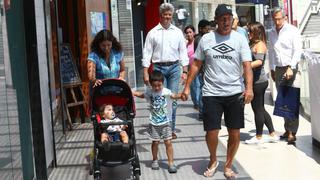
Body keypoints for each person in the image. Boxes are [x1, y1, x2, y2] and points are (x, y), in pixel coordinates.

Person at [181, 4, 253, 179]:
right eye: (223, 17)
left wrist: (249, 88)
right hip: (212, 93)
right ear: (217, 20)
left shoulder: (239, 39)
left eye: (229, 17)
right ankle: (213, 159)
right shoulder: (206, 39)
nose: (226, 20)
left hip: (235, 92)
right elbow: (196, 64)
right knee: (211, 132)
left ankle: (228, 164)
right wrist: (187, 86)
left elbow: (247, 66)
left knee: (234, 132)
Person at [142, 2, 189, 139]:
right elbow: (147, 53)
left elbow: (183, 52)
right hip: (158, 68)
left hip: (174, 68)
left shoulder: (178, 32)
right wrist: (145, 72)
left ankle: (170, 130)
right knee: (159, 99)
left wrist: (185, 71)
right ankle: (158, 126)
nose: (167, 17)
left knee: (172, 100)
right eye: (165, 15)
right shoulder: (153, 33)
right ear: (160, 15)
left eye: (169, 14)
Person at [133, 70, 182, 173]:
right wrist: (133, 93)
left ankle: (171, 163)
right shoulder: (150, 92)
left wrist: (181, 95)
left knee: (168, 142)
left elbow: (174, 96)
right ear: (150, 84)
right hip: (154, 123)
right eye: (154, 86)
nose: (157, 88)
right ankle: (155, 160)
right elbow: (142, 95)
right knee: (155, 142)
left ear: (162, 83)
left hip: (166, 122)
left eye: (159, 85)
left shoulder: (166, 91)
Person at [268, 8, 302, 144]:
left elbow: (297, 50)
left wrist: (291, 67)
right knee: (282, 100)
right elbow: (271, 51)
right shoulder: (271, 32)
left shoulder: (293, 31)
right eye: (275, 19)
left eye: (279, 18)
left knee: (291, 100)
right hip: (278, 68)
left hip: (290, 68)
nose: (277, 21)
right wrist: (271, 68)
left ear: (285, 18)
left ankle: (293, 132)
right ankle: (287, 129)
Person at [244, 22, 279, 144]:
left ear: (257, 32)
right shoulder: (252, 43)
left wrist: (244, 67)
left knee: (257, 109)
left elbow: (259, 61)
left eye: (251, 31)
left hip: (258, 82)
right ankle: (272, 133)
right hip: (256, 81)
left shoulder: (260, 45)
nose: (248, 33)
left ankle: (259, 136)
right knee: (260, 109)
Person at [194, 19, 211, 120]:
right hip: (202, 69)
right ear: (201, 29)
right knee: (202, 90)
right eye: (206, 28)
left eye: (209, 28)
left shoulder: (200, 38)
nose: (208, 30)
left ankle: (203, 111)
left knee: (202, 89)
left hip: (203, 68)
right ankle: (202, 112)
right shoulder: (200, 39)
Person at [184, 25, 199, 110]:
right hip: (189, 68)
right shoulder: (185, 45)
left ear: (193, 33)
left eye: (190, 32)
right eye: (187, 33)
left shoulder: (196, 42)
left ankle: (198, 102)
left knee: (198, 85)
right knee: (192, 86)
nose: (189, 34)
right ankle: (195, 103)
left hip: (197, 66)